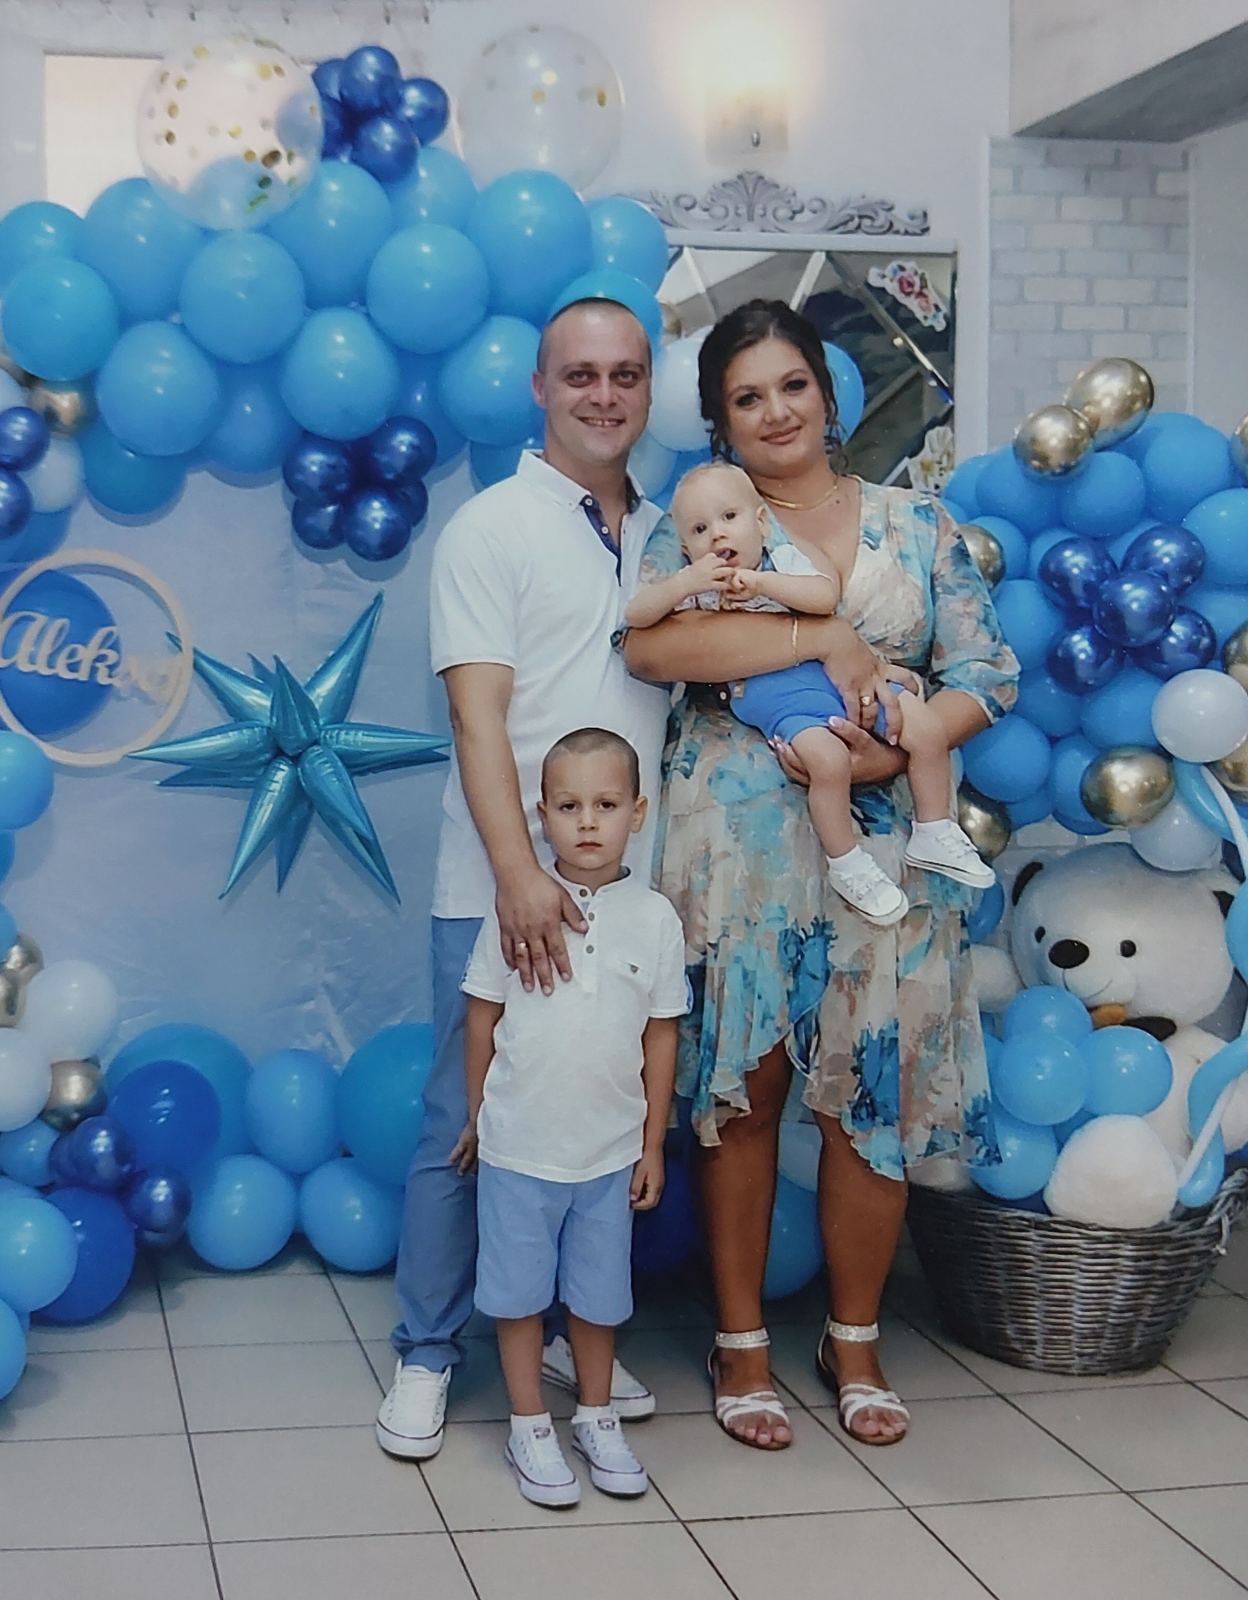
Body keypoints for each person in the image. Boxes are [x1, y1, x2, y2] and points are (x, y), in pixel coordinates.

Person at [624, 300, 1018, 1451]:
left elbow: (987, 671)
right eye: (746, 396)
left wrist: (900, 750)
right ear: (720, 420)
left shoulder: (915, 521)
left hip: (889, 851)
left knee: (871, 1100)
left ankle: (854, 1341)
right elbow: (656, 645)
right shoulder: (705, 520)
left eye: (790, 385)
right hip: (740, 852)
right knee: (741, 1096)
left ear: (827, 393)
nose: (775, 411)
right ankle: (740, 1343)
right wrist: (820, 640)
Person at [377, 299, 671, 1463]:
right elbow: (477, 717)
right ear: (539, 390)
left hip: (626, 895)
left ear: (648, 389)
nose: (605, 394)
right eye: (580, 374)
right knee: (470, 1120)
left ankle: (559, 1336)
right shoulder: (489, 527)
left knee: (590, 1122)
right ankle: (426, 1351)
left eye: (626, 374)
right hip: (499, 885)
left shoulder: (669, 533)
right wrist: (518, 873)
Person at [449, 728, 685, 1508]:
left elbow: (661, 1034)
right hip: (519, 1148)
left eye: (606, 805)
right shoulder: (514, 910)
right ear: (541, 815)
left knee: (598, 1298)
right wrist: (479, 1117)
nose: (588, 822)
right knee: (518, 1297)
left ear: (638, 814)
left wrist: (651, 1144)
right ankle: (528, 1425)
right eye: (569, 805)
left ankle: (594, 1415)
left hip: (608, 1155)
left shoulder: (655, 919)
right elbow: (482, 1019)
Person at [626, 460, 995, 925]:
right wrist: (683, 582)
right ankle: (847, 862)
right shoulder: (699, 589)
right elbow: (637, 619)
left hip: (834, 684)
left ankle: (933, 827)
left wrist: (762, 583)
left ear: (761, 523)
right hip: (778, 700)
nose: (717, 535)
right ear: (686, 547)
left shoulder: (781, 563)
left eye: (730, 518)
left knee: (922, 725)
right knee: (828, 762)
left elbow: (824, 598)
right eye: (700, 530)